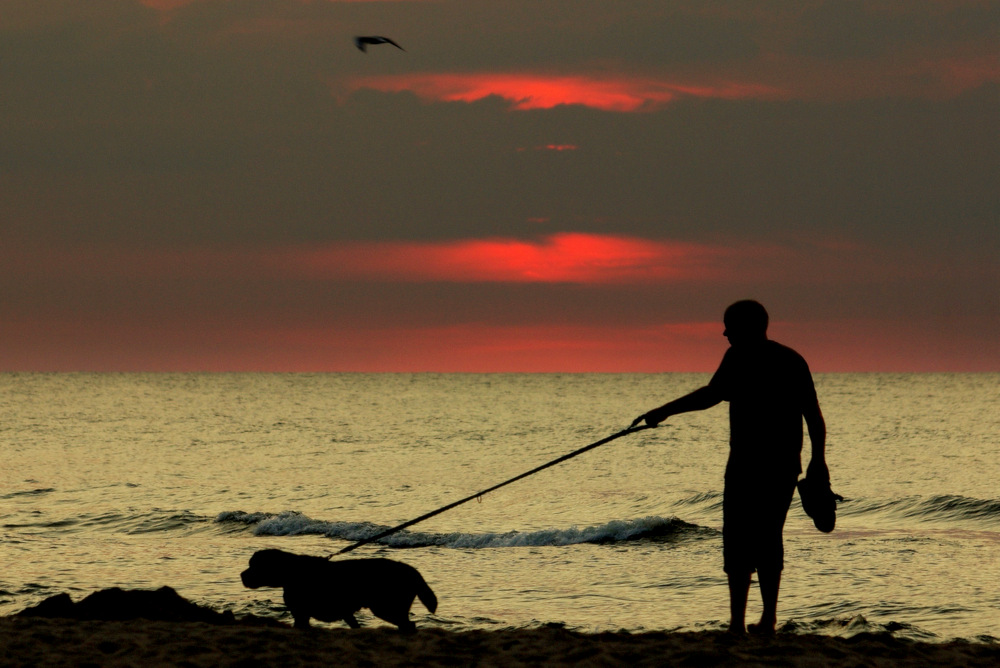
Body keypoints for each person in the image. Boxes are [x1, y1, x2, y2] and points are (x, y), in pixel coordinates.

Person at [633, 300, 827, 636]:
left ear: (748, 327)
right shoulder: (791, 359)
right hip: (780, 466)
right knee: (767, 538)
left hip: (751, 466)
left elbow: (711, 395)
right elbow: (813, 416)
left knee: (740, 540)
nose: (724, 333)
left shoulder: (741, 358)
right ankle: (764, 620)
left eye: (729, 326)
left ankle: (742, 622)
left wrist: (663, 411)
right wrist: (816, 459)